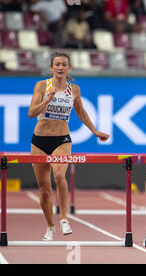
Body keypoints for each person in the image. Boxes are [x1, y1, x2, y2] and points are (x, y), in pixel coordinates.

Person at [28, 52, 109, 241]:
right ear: (51, 68)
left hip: (62, 140)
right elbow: (31, 113)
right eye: (57, 64)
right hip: (39, 141)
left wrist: (94, 131)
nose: (60, 67)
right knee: (44, 189)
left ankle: (64, 218)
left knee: (58, 175)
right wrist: (47, 100)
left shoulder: (74, 90)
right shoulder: (41, 86)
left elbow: (81, 112)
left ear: (68, 68)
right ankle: (50, 226)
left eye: (64, 64)